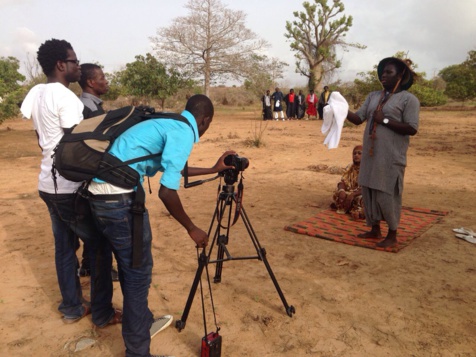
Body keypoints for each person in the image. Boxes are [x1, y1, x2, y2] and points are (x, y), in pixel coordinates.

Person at [86, 94, 234, 357]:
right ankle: (137, 351)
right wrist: (192, 228)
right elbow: (167, 192)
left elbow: (173, 170)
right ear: (206, 120)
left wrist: (213, 169)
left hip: (98, 195)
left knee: (103, 258)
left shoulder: (168, 122)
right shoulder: (183, 132)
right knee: (137, 276)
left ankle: (113, 316)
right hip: (120, 202)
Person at [19, 39, 117, 325]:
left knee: (64, 247)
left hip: (46, 183)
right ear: (61, 65)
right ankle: (102, 312)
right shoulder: (66, 98)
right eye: (74, 61)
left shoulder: (36, 92)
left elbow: (41, 140)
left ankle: (72, 307)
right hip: (68, 186)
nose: (77, 65)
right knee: (98, 247)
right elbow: (77, 146)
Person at [346, 57, 419, 248]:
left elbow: (412, 128)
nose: (383, 76)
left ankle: (392, 233)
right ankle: (374, 228)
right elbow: (358, 118)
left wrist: (384, 120)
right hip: (371, 155)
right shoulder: (373, 96)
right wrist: (340, 109)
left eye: (389, 72)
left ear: (401, 75)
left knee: (386, 193)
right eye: (383, 73)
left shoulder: (408, 100)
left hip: (391, 156)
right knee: (369, 190)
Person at [78, 63, 120, 281]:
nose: (106, 81)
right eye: (102, 77)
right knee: (99, 224)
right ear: (91, 82)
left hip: (84, 171)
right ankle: (98, 267)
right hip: (91, 171)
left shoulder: (89, 105)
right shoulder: (89, 109)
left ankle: (87, 264)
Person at [332, 145, 365, 220]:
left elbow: (368, 188)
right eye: (354, 153)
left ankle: (361, 213)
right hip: (350, 192)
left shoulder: (369, 169)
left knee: (365, 200)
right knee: (337, 194)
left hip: (362, 194)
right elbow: (342, 182)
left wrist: (353, 194)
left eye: (360, 153)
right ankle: (354, 209)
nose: (356, 155)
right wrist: (342, 191)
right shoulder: (350, 167)